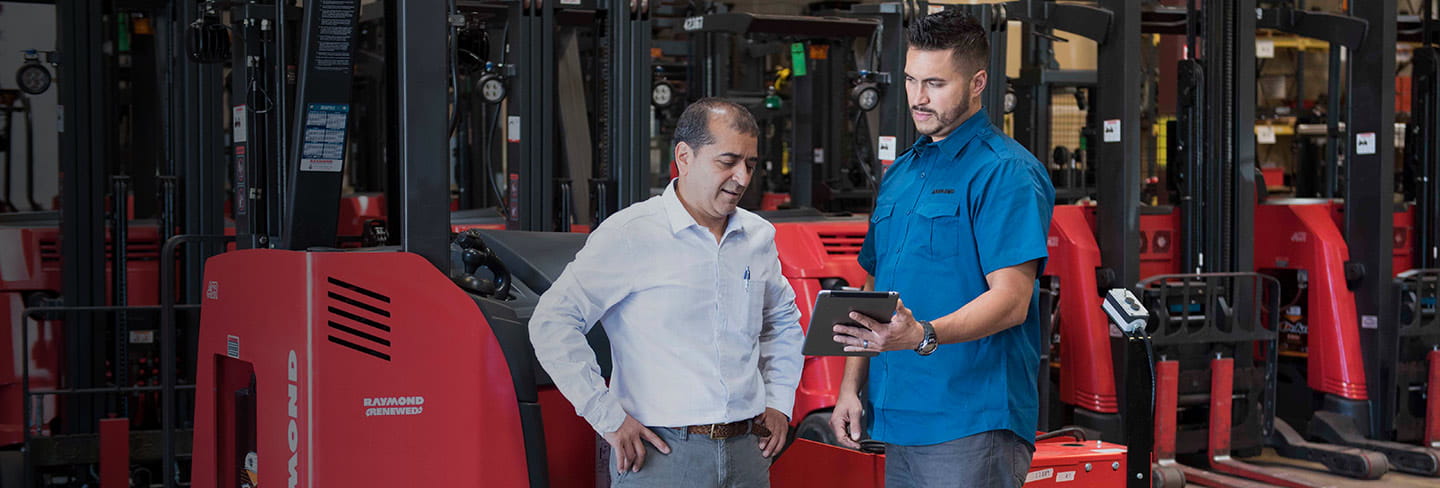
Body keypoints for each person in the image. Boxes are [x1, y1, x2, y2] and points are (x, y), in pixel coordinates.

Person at [827, 9, 1056, 488]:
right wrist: (850, 387)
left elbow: (1012, 301)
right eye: (911, 80)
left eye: (935, 83)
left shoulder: (1005, 173)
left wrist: (923, 334)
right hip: (898, 417)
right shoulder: (903, 174)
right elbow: (873, 285)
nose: (918, 98)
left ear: (977, 82)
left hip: (970, 421)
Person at [529, 98, 804, 487]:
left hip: (748, 452)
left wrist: (779, 402)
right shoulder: (631, 234)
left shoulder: (757, 236)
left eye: (751, 164)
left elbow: (782, 324)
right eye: (727, 162)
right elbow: (552, 321)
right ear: (684, 156)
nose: (742, 178)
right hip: (662, 456)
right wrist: (606, 416)